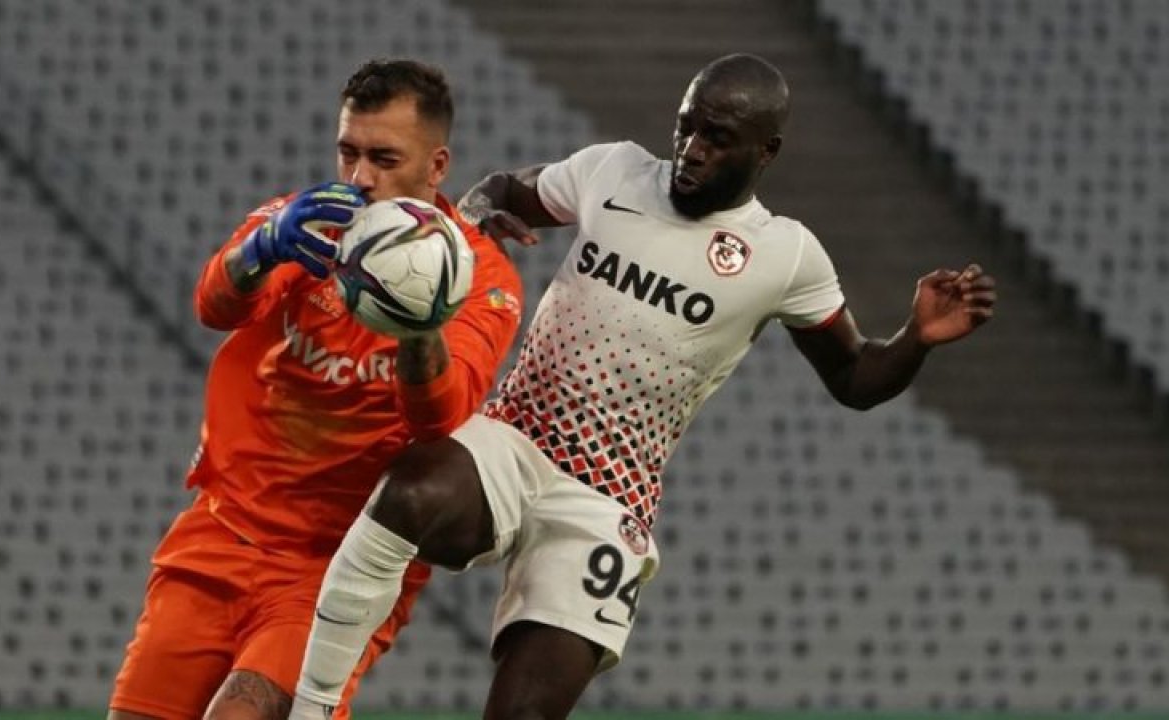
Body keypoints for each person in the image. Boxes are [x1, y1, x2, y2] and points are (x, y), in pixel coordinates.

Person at [288, 53, 997, 720]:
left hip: (608, 500)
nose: (691, 149)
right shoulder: (613, 171)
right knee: (409, 489)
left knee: (527, 712)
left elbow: (854, 378)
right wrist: (472, 217)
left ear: (766, 152)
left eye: (716, 138)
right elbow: (508, 190)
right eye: (686, 126)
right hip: (517, 438)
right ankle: (312, 710)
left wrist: (915, 339)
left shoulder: (786, 255)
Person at [107, 59, 524, 720]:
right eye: (348, 152)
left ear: (436, 165)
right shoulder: (305, 227)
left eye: (384, 158)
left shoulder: (479, 279)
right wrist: (262, 250)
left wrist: (420, 328)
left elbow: (440, 419)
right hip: (222, 530)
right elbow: (215, 306)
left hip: (333, 565)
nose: (361, 178)